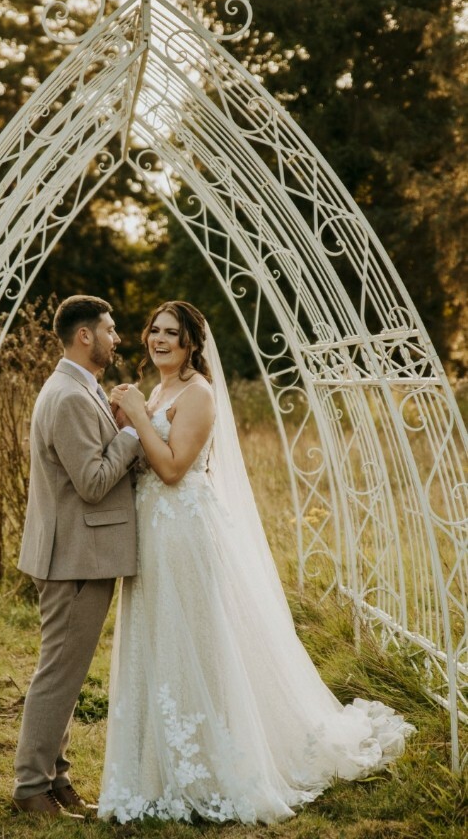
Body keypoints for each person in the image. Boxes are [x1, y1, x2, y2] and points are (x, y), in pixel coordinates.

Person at [100, 300, 414, 825]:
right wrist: (127, 418)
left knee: (196, 641)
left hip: (183, 532)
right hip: (154, 533)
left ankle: (209, 770)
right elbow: (145, 456)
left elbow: (175, 467)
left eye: (171, 333)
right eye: (154, 330)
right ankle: (158, 770)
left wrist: (135, 417)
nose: (158, 340)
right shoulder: (157, 390)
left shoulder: (198, 394)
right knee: (160, 640)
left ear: (192, 344)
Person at [13, 294, 142, 819]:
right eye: (110, 330)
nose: (118, 338)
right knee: (58, 674)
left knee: (67, 672)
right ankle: (29, 789)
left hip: (79, 554)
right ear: (84, 336)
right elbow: (91, 483)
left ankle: (56, 779)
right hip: (73, 559)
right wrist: (132, 435)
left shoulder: (78, 389)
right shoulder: (67, 396)